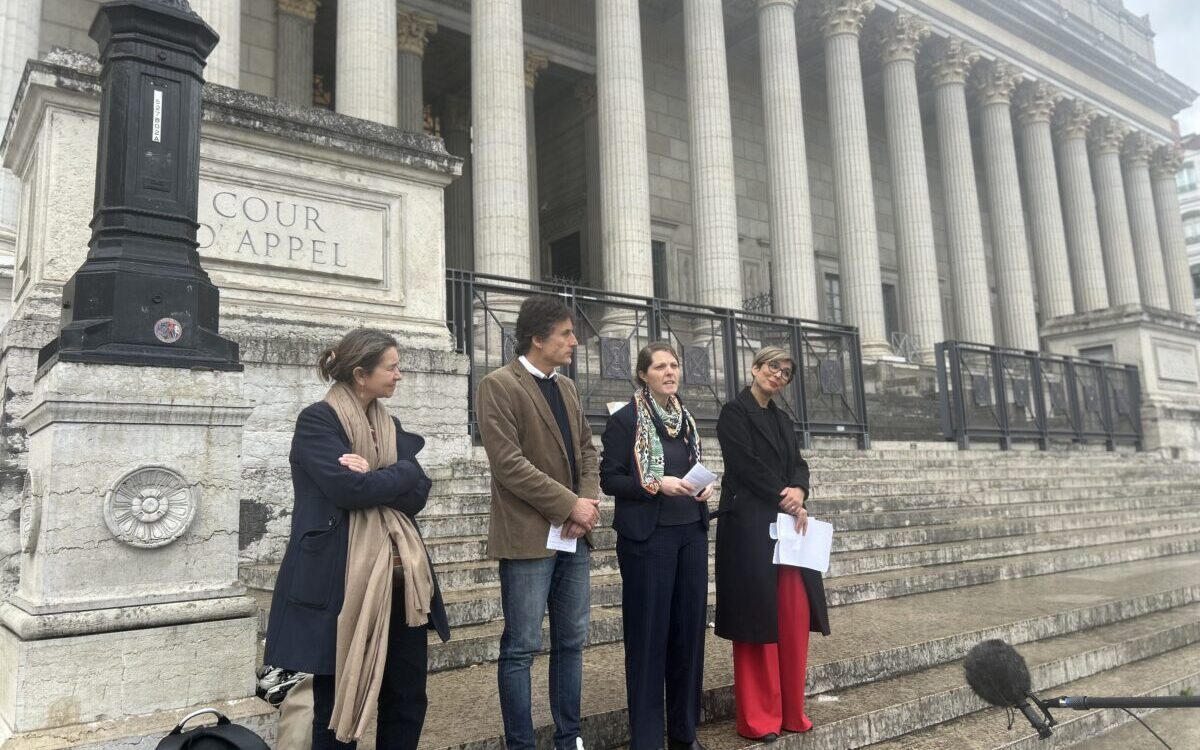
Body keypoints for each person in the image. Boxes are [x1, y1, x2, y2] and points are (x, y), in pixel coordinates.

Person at [264, 328, 451, 750]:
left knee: (407, 699)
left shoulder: (390, 424)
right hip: (341, 583)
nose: (399, 375)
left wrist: (379, 473)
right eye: (392, 367)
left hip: (402, 586)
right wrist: (400, 474)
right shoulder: (317, 421)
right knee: (335, 708)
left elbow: (419, 492)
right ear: (360, 373)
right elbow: (347, 490)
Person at [476, 296, 602, 750]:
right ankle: (521, 744)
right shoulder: (498, 385)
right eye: (566, 334)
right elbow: (508, 464)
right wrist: (569, 505)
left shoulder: (566, 387)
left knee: (570, 641)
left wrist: (584, 504)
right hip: (529, 535)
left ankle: (569, 737)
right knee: (521, 647)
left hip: (573, 535)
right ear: (538, 338)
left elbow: (588, 450)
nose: (574, 341)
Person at [713, 346, 831, 742]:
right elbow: (744, 464)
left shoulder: (783, 419)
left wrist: (799, 488)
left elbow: (798, 462)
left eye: (785, 372)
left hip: (786, 530)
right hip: (749, 529)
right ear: (755, 368)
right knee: (757, 623)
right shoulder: (734, 412)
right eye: (772, 367)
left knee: (792, 616)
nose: (777, 375)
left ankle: (790, 711)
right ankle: (760, 717)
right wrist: (787, 496)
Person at [600, 342, 713, 750]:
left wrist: (704, 486)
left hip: (691, 535)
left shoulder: (686, 420)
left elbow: (691, 467)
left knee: (688, 638)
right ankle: (646, 741)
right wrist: (654, 484)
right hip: (649, 539)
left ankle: (685, 734)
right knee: (649, 640)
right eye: (660, 366)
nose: (670, 372)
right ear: (643, 374)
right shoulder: (626, 419)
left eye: (674, 365)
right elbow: (609, 479)